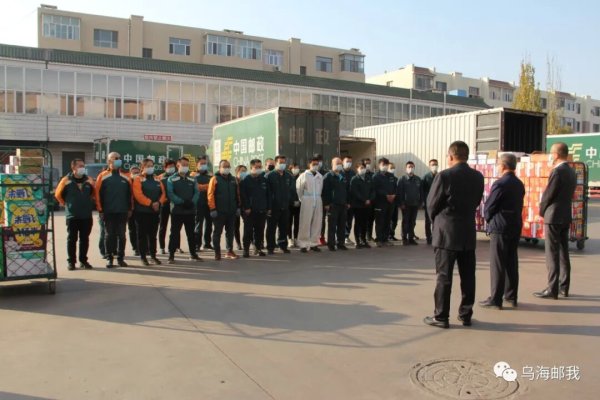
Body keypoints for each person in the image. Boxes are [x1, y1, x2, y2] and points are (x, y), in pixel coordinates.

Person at [424, 141, 484, 328]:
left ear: (450, 156)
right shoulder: (477, 177)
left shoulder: (444, 176)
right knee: (468, 276)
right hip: (467, 232)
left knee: (444, 276)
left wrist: (437, 221)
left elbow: (431, 205)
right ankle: (466, 314)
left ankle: (441, 316)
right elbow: (476, 201)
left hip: (446, 233)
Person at [479, 153, 525, 309]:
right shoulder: (519, 183)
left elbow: (489, 206)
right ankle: (511, 296)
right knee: (511, 262)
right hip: (515, 225)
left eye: (498, 164)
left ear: (503, 166)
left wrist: (488, 219)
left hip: (500, 226)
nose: (497, 167)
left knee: (498, 263)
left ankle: (496, 299)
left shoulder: (500, 184)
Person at [534, 142, 577, 300]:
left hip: (553, 215)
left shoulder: (557, 171)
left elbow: (548, 195)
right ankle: (564, 287)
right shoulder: (572, 171)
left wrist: (541, 210)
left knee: (551, 253)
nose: (550, 156)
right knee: (563, 252)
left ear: (556, 155)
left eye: (551, 153)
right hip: (565, 214)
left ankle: (552, 289)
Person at [55, 158, 95, 270]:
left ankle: (83, 261)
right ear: (73, 167)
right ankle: (71, 262)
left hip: (86, 215)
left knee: (84, 239)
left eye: (83, 166)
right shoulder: (66, 180)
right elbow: (58, 195)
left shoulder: (89, 180)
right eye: (80, 166)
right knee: (72, 239)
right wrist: (67, 204)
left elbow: (93, 194)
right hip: (72, 215)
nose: (83, 168)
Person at [95, 152, 133, 268]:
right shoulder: (102, 176)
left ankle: (121, 258)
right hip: (108, 212)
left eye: (118, 158)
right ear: (109, 161)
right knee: (109, 235)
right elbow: (97, 194)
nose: (117, 160)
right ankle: (109, 258)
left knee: (122, 236)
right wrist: (100, 210)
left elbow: (130, 194)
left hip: (122, 211)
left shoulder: (126, 177)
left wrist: (130, 208)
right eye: (114, 158)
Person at [166, 157, 202, 264]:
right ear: (178, 165)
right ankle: (171, 255)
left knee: (191, 233)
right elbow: (170, 193)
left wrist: (192, 202)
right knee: (174, 233)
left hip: (190, 210)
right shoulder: (171, 179)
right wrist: (182, 202)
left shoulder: (192, 179)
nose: (185, 167)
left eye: (187, 165)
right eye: (183, 165)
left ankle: (193, 254)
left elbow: (197, 192)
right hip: (177, 211)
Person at [132, 158, 167, 266]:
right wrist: (151, 203)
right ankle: (143, 257)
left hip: (154, 212)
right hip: (142, 212)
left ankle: (153, 256)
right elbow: (138, 195)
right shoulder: (138, 179)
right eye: (148, 166)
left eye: (152, 166)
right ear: (142, 167)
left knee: (152, 235)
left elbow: (163, 193)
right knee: (142, 235)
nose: (150, 168)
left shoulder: (157, 179)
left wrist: (159, 203)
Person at [208, 160, 241, 261]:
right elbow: (210, 195)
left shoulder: (233, 179)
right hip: (219, 212)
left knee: (230, 232)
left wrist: (238, 207)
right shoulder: (214, 179)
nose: (226, 168)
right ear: (219, 168)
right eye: (224, 166)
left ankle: (229, 251)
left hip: (231, 211)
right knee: (217, 232)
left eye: (228, 166)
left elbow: (237, 194)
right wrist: (213, 208)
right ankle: (217, 252)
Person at [240, 159, 270, 258]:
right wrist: (247, 207)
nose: (258, 169)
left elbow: (268, 195)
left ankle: (258, 248)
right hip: (250, 211)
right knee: (248, 231)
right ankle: (246, 250)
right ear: (251, 168)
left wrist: (268, 207)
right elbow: (243, 196)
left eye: (260, 167)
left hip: (261, 210)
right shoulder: (246, 180)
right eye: (256, 167)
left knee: (259, 231)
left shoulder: (264, 180)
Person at [266, 155, 294, 254]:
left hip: (285, 206)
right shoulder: (269, 176)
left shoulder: (288, 176)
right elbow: (267, 193)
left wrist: (291, 201)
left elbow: (291, 190)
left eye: (284, 162)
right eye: (280, 162)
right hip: (273, 207)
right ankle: (270, 247)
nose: (282, 164)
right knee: (271, 228)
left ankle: (283, 245)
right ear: (275, 163)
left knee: (284, 227)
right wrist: (268, 207)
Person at [296, 157, 324, 253]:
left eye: (317, 164)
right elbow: (299, 189)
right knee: (305, 222)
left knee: (317, 222)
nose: (316, 166)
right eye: (313, 164)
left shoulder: (320, 176)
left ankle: (314, 243)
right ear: (309, 165)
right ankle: (303, 244)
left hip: (318, 200)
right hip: (307, 199)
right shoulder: (303, 175)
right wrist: (303, 199)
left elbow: (321, 188)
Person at [322, 157, 350, 251]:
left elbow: (346, 190)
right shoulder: (328, 176)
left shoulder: (343, 176)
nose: (339, 165)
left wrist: (347, 202)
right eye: (337, 163)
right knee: (332, 226)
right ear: (332, 165)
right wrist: (326, 203)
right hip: (333, 205)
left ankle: (340, 243)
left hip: (343, 204)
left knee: (342, 225)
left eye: (340, 164)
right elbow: (325, 191)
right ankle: (331, 244)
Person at [372, 158, 397, 247]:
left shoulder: (391, 176)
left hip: (390, 203)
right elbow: (375, 189)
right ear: (379, 165)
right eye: (383, 165)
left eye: (386, 165)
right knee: (380, 222)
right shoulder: (375, 176)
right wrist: (386, 195)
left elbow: (395, 187)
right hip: (380, 203)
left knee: (387, 221)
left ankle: (385, 239)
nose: (385, 166)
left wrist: (393, 195)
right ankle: (379, 239)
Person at [398, 161, 423, 246]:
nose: (411, 168)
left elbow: (421, 192)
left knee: (413, 222)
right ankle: (404, 238)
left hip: (415, 204)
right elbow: (400, 192)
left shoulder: (418, 179)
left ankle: (411, 238)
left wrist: (421, 202)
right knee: (406, 221)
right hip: (406, 205)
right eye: (409, 167)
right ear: (406, 168)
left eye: (412, 167)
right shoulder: (402, 179)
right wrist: (401, 203)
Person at [350, 163, 375, 249]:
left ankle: (363, 240)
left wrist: (370, 199)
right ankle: (357, 241)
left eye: (364, 168)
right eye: (361, 168)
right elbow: (355, 192)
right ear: (357, 169)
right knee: (358, 223)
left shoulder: (369, 178)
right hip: (358, 205)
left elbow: (373, 190)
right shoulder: (354, 179)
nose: (363, 169)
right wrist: (364, 200)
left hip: (367, 205)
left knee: (365, 223)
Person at [158, 159, 178, 255]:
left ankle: (176, 246)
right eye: (169, 167)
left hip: (175, 205)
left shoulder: (177, 177)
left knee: (175, 227)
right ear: (165, 168)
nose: (171, 168)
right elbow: (158, 192)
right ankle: (162, 247)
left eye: (173, 166)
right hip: (164, 205)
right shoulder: (160, 178)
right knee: (163, 226)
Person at [194, 156, 213, 252]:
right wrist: (208, 186)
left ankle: (207, 244)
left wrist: (204, 187)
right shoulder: (193, 175)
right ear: (197, 165)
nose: (203, 165)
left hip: (209, 203)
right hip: (198, 203)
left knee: (209, 224)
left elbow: (213, 187)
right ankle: (197, 244)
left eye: (205, 163)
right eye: (201, 164)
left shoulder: (210, 175)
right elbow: (197, 187)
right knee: (198, 224)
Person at [422, 159, 439, 245]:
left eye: (435, 164)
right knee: (428, 221)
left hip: (438, 202)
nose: (434, 166)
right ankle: (428, 237)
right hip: (428, 203)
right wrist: (423, 201)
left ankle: (435, 237)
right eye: (432, 164)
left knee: (437, 221)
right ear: (429, 166)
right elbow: (422, 190)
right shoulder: (425, 177)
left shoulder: (440, 176)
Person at [315, 153, 329, 246]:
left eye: (320, 160)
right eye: (317, 160)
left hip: (322, 200)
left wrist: (327, 202)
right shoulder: (309, 172)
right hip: (312, 200)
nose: (319, 162)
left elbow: (327, 189)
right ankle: (313, 238)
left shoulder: (325, 173)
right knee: (313, 220)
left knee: (322, 220)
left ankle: (321, 237)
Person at [342, 156, 356, 245]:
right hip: (342, 201)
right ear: (343, 162)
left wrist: (350, 202)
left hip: (351, 201)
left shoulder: (353, 173)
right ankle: (340, 237)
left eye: (350, 162)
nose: (349, 163)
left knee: (349, 220)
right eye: (347, 161)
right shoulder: (340, 173)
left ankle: (346, 236)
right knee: (341, 220)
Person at [127, 164, 141, 256]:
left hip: (141, 208)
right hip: (131, 209)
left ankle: (144, 247)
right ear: (130, 173)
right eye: (134, 172)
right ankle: (135, 248)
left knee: (142, 229)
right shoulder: (127, 182)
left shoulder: (142, 181)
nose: (136, 174)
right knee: (132, 229)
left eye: (137, 172)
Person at [234, 165, 248, 251]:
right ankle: (238, 243)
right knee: (236, 226)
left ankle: (247, 241)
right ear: (237, 172)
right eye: (242, 171)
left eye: (245, 171)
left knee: (247, 224)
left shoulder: (246, 181)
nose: (244, 173)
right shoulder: (233, 181)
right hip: (235, 206)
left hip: (244, 206)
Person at [362, 158, 376, 242]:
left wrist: (371, 198)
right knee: (363, 220)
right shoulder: (361, 174)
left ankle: (369, 236)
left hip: (372, 201)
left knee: (371, 219)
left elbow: (374, 188)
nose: (368, 165)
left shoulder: (373, 175)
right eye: (366, 163)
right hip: (363, 202)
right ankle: (361, 236)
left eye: (369, 163)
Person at [288, 163, 302, 248]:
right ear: (290, 169)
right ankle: (290, 239)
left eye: (297, 168)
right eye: (294, 168)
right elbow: (287, 191)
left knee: (297, 222)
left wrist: (299, 201)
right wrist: (292, 201)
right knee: (289, 222)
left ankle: (296, 238)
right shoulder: (288, 177)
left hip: (299, 204)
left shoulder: (301, 177)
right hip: (290, 204)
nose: (296, 169)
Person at [388, 163, 400, 241]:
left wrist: (395, 195)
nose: (393, 169)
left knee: (394, 220)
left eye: (394, 168)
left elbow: (398, 190)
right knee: (388, 219)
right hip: (388, 201)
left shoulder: (396, 179)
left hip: (395, 202)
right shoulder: (385, 178)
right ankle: (388, 235)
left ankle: (392, 234)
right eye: (391, 168)